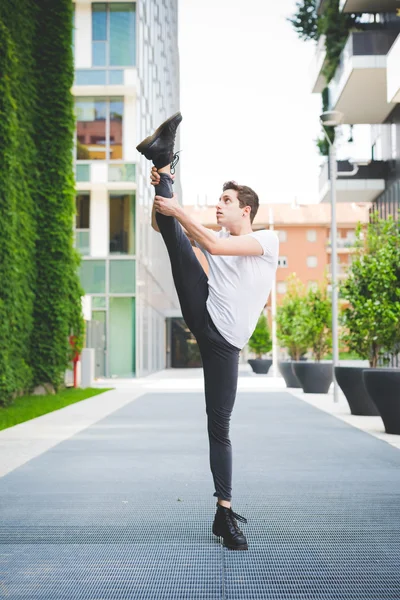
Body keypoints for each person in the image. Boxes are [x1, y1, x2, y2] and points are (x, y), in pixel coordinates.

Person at [136, 112, 279, 551]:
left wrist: (176, 207)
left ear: (246, 210)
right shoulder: (215, 231)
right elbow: (165, 228)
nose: (219, 205)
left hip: (225, 345)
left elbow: (214, 245)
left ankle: (223, 514)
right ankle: (161, 159)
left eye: (226, 200)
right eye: (218, 199)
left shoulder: (266, 241)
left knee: (220, 425)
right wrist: (161, 192)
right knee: (177, 238)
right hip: (204, 311)